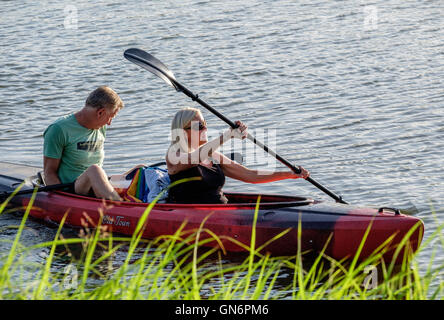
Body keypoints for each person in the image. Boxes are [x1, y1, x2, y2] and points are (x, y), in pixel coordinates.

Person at [165, 107, 310, 204]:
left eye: (205, 123)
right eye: (199, 126)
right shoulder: (173, 154)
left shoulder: (213, 155)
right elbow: (193, 158)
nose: (206, 128)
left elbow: (250, 175)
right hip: (191, 215)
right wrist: (228, 135)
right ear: (183, 132)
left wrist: (289, 174)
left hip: (221, 211)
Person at [43, 86, 123, 201]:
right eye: (111, 117)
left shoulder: (101, 127)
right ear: (100, 112)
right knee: (94, 170)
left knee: (140, 170)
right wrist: (62, 201)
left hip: (96, 183)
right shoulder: (58, 129)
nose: (109, 123)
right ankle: (120, 206)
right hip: (72, 190)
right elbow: (49, 173)